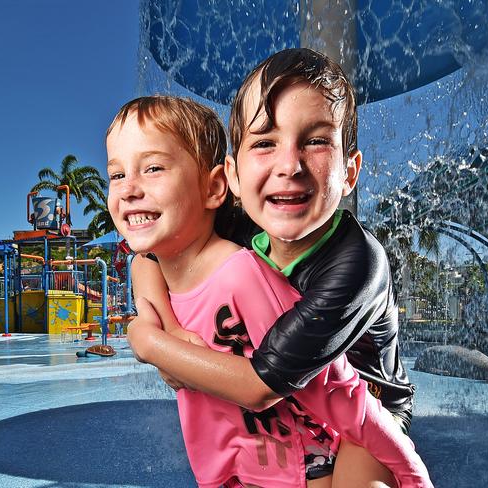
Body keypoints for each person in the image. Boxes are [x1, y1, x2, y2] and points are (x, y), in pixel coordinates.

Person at [127, 48, 421, 486]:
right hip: (297, 402)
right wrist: (167, 324)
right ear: (233, 178)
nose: (290, 165)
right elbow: (150, 254)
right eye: (265, 142)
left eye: (316, 140)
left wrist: (149, 343)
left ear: (350, 172)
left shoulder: (356, 264)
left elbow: (258, 387)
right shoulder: (237, 222)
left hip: (365, 408)